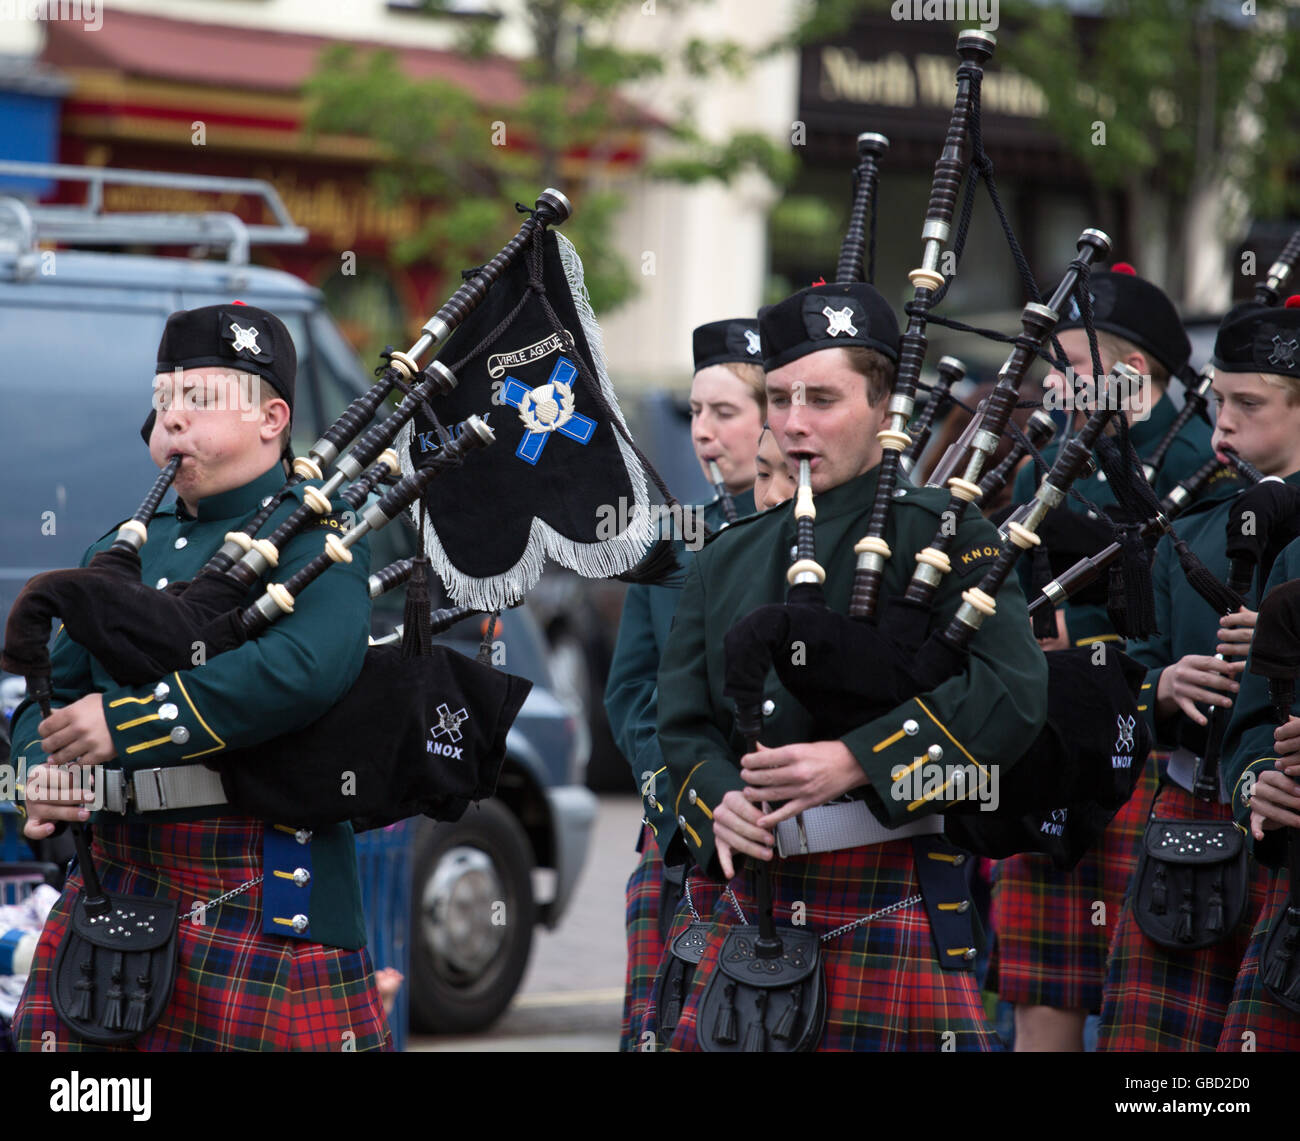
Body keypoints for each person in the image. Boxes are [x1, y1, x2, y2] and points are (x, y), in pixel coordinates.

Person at [657, 281, 1048, 1052]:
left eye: (824, 399)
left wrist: (854, 760)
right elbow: (681, 729)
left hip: (887, 884)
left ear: (883, 404)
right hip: (746, 904)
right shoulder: (725, 558)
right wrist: (718, 802)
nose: (795, 424)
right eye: (779, 397)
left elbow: (1014, 695)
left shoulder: (942, 531)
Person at [9, 302, 390, 1051]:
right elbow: (44, 695)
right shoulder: (121, 551)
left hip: (258, 885)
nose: (171, 419)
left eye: (200, 399)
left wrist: (124, 725)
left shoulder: (322, 535)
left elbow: (300, 672)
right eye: (162, 402)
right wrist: (36, 771)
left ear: (272, 417)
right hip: (117, 886)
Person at [993, 263, 1213, 1051]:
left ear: (1131, 373)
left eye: (1072, 368)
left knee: (1150, 1020)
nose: (1055, 386)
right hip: (1059, 739)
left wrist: (1101, 654)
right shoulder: (1040, 469)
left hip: (1153, 752)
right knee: (1043, 997)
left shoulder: (1200, 464)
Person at [1096, 299, 1300, 1051]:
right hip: (1186, 824)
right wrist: (1165, 688)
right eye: (1218, 400)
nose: (1223, 425)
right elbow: (1131, 677)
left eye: (1249, 403)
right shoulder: (1187, 535)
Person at [604, 317, 764, 1051]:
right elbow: (631, 691)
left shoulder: (811, 536)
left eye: (724, 412)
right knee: (663, 1030)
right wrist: (684, 796)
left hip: (777, 827)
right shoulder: (672, 538)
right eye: (696, 412)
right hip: (675, 830)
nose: (704, 432)